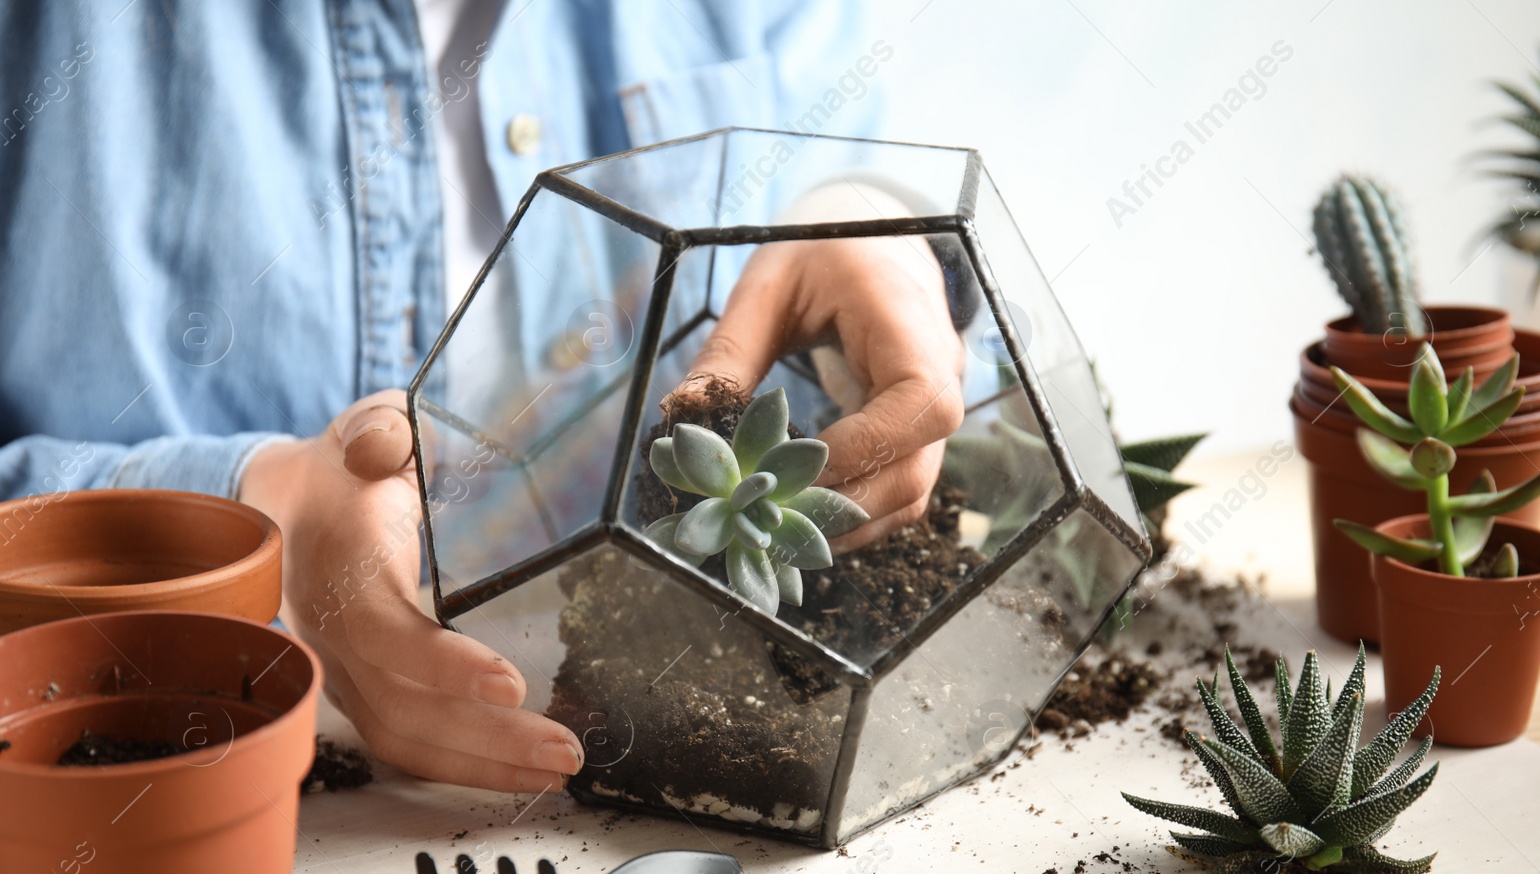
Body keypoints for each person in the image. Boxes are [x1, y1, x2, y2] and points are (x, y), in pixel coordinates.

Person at [0, 1, 963, 793]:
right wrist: (252, 524)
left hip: (637, 802)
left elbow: (870, 210)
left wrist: (888, 236)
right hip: (190, 812)